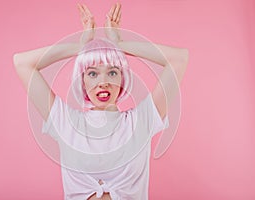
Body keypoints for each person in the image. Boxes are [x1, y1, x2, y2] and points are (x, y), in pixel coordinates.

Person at [13, 3, 189, 200]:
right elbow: (22, 63)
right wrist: (81, 47)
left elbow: (179, 59)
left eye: (112, 72)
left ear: (122, 79)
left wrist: (120, 44)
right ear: (82, 80)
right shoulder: (66, 122)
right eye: (93, 73)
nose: (103, 82)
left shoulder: (141, 120)